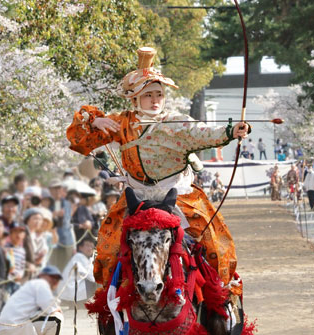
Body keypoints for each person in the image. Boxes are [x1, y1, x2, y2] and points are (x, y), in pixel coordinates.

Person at [66, 47, 248, 299]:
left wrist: (230, 131)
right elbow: (79, 140)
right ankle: (110, 304)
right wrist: (93, 122)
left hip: (179, 195)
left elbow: (206, 133)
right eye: (148, 95)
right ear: (134, 99)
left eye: (159, 95)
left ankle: (221, 301)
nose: (155, 100)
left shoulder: (177, 121)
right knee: (108, 247)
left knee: (214, 241)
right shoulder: (122, 123)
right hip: (136, 197)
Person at [0, 265, 63, 335]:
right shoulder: (41, 284)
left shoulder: (31, 285)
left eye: (56, 278)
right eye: (52, 277)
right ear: (42, 276)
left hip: (5, 329)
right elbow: (49, 308)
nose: (54, 280)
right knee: (57, 319)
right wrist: (56, 309)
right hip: (17, 327)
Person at [47, 178, 75, 272]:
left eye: (59, 187)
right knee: (53, 269)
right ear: (50, 190)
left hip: (66, 241)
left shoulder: (67, 203)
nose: (57, 190)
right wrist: (53, 215)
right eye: (54, 188)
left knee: (66, 270)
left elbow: (68, 223)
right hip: (52, 242)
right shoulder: (47, 204)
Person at [59, 233, 96, 302]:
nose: (90, 248)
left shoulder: (86, 258)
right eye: (87, 245)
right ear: (80, 247)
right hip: (71, 291)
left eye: (92, 246)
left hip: (70, 291)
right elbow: (91, 276)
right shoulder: (79, 256)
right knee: (94, 282)